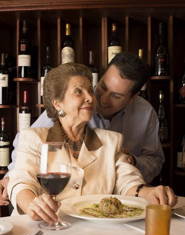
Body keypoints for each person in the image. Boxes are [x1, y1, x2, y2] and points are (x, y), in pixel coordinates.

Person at [7, 63, 176, 224]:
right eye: (78, 92)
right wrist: (32, 204)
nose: (90, 98)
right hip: (42, 230)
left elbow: (127, 181)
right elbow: (21, 181)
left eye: (90, 90)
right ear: (58, 103)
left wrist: (147, 192)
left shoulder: (111, 140)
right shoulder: (32, 138)